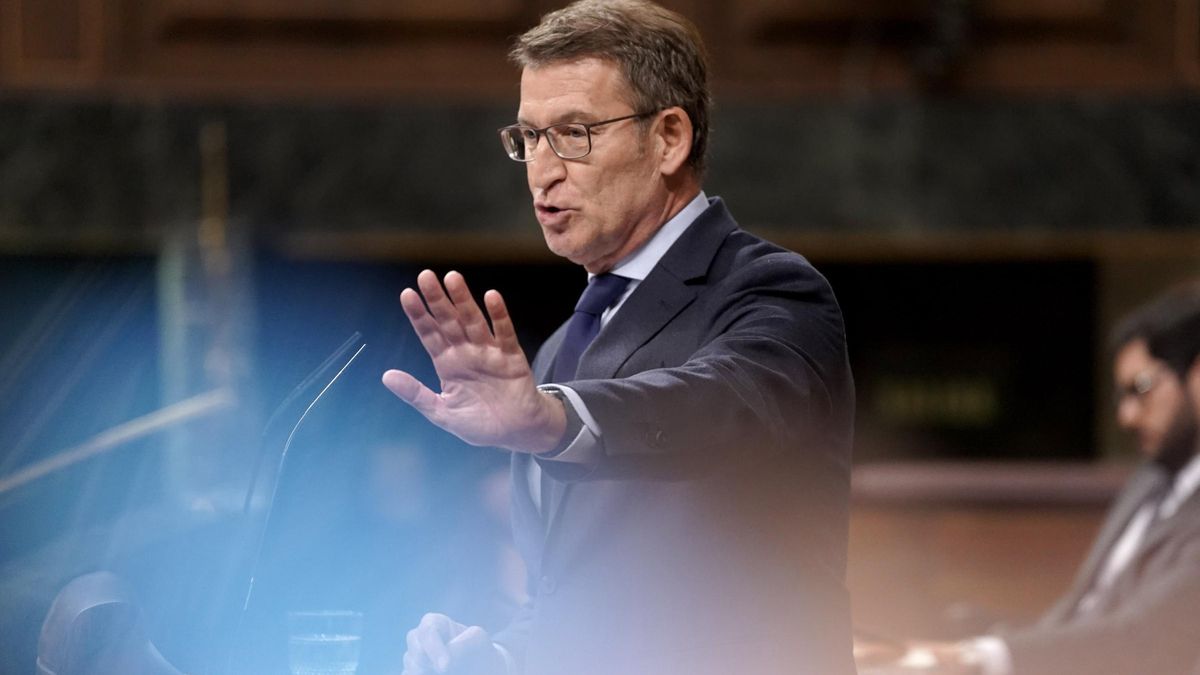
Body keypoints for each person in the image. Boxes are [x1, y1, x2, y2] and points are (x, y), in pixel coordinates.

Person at [379, 1, 856, 674]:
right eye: (528, 137)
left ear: (669, 138)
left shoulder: (773, 292)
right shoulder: (553, 356)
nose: (541, 170)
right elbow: (569, 598)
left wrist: (552, 419)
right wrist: (500, 655)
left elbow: (715, 406)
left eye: (574, 133)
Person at [875, 278, 1200, 675]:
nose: (1126, 416)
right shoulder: (1151, 481)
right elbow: (1081, 615)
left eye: (1142, 388)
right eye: (1121, 396)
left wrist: (980, 656)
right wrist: (965, 638)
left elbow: (1148, 638)